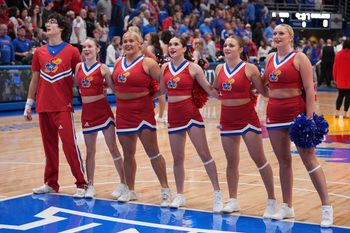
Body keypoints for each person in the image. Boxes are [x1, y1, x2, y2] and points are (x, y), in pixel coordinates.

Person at [264, 24, 333, 227]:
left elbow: (309, 89)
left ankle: (326, 207)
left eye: (281, 33)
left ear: (290, 37)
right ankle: (287, 206)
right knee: (283, 161)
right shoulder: (269, 58)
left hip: (297, 114)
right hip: (274, 114)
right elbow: (263, 85)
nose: (277, 36)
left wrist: (309, 118)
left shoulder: (299, 58)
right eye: (275, 33)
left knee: (309, 160)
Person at [24, 12, 87, 198]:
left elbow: (80, 77)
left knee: (69, 146)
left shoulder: (72, 51)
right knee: (49, 148)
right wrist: (29, 104)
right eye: (48, 22)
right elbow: (34, 80)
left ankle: (81, 183)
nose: (48, 25)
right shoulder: (39, 53)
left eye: (53, 22)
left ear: (61, 28)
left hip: (63, 106)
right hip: (43, 106)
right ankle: (51, 183)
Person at [213, 36, 276, 217]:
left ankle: (271, 200)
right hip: (227, 119)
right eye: (225, 45)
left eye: (232, 45)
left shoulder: (249, 68)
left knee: (259, 158)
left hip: (247, 118)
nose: (227, 48)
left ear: (240, 49)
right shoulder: (219, 68)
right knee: (231, 161)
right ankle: (233, 199)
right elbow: (215, 90)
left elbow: (264, 92)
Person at [160, 36, 223, 213]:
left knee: (204, 153)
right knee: (177, 158)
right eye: (170, 44)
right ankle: (180, 194)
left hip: (190, 114)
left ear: (183, 48)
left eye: (176, 44)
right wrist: (137, 96)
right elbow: (161, 90)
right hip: (173, 115)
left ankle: (217, 193)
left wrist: (230, 93)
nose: (172, 47)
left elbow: (209, 90)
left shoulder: (193, 68)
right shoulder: (164, 67)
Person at [112, 30, 171, 206]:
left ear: (139, 44)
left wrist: (150, 96)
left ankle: (166, 189)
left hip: (142, 113)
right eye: (125, 41)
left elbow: (165, 83)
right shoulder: (117, 63)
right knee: (128, 154)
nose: (128, 44)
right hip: (123, 113)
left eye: (131, 41)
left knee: (153, 152)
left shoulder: (148, 63)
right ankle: (130, 190)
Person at [74, 37, 128, 199]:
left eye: (90, 46)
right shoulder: (78, 67)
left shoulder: (103, 68)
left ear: (98, 49)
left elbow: (115, 89)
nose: (86, 49)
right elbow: (76, 85)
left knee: (113, 148)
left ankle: (124, 184)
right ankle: (90, 185)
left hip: (103, 111)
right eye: (84, 47)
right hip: (87, 113)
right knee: (90, 151)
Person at [143, 32, 167, 123]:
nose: (146, 37)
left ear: (152, 38)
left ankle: (154, 115)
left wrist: (145, 51)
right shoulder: (158, 48)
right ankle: (161, 115)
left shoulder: (149, 48)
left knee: (154, 95)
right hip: (160, 71)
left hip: (152, 72)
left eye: (148, 36)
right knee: (162, 95)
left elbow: (154, 59)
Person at [333, 38, 350, 119]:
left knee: (340, 96)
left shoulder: (338, 54)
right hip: (349, 80)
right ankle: (345, 114)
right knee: (348, 97)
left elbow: (335, 67)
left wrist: (335, 78)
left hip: (340, 79)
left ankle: (336, 112)